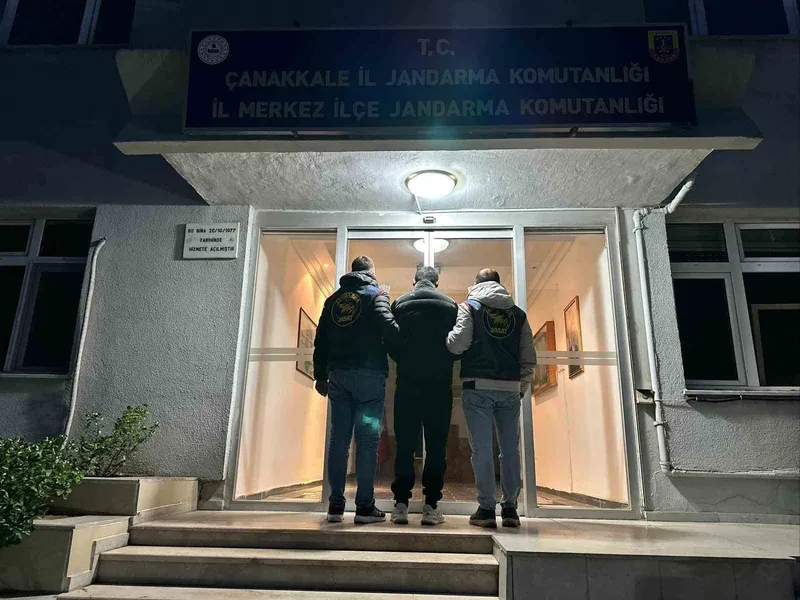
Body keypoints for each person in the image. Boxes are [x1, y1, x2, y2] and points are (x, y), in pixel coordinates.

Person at [446, 268, 536, 528]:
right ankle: (510, 509)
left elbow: (458, 344)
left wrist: (447, 338)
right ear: (499, 284)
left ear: (476, 284)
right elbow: (528, 357)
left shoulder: (470, 306)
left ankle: (486, 510)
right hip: (510, 388)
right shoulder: (518, 314)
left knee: (482, 449)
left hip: (478, 385)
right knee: (510, 450)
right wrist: (521, 387)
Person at [313, 256, 400, 524]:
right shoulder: (377, 294)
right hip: (370, 379)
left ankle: (335, 505)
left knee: (339, 440)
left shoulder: (333, 300)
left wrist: (320, 376)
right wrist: (400, 344)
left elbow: (320, 340)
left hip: (338, 378)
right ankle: (364, 507)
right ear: (371, 272)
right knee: (368, 440)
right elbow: (389, 326)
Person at [388, 266, 458, 526]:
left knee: (405, 445)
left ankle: (401, 505)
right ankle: (430, 507)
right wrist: (445, 360)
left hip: (408, 383)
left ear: (414, 281)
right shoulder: (450, 305)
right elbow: (458, 342)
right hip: (439, 385)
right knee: (437, 446)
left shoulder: (400, 303)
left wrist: (405, 359)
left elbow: (391, 341)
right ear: (437, 283)